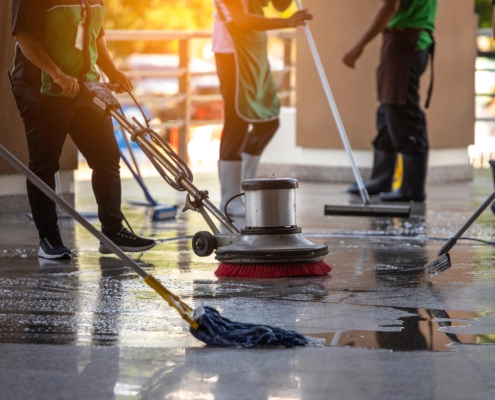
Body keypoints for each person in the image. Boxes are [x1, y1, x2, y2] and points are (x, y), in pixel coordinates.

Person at [10, 0, 155, 259]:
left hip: (84, 87)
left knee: (106, 156)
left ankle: (113, 233)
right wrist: (57, 74)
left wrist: (112, 70)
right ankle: (48, 239)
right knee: (44, 164)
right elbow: (24, 36)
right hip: (41, 89)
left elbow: (94, 33)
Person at [213, 0, 312, 215]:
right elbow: (241, 20)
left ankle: (244, 189)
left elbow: (280, 4)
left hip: (255, 50)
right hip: (232, 53)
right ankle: (230, 199)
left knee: (268, 122)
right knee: (236, 121)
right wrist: (286, 22)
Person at [344, 0, 437, 202]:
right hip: (408, 40)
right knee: (388, 108)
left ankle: (413, 187)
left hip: (406, 41)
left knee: (402, 108)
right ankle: (381, 178)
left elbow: (389, 7)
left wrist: (358, 46)